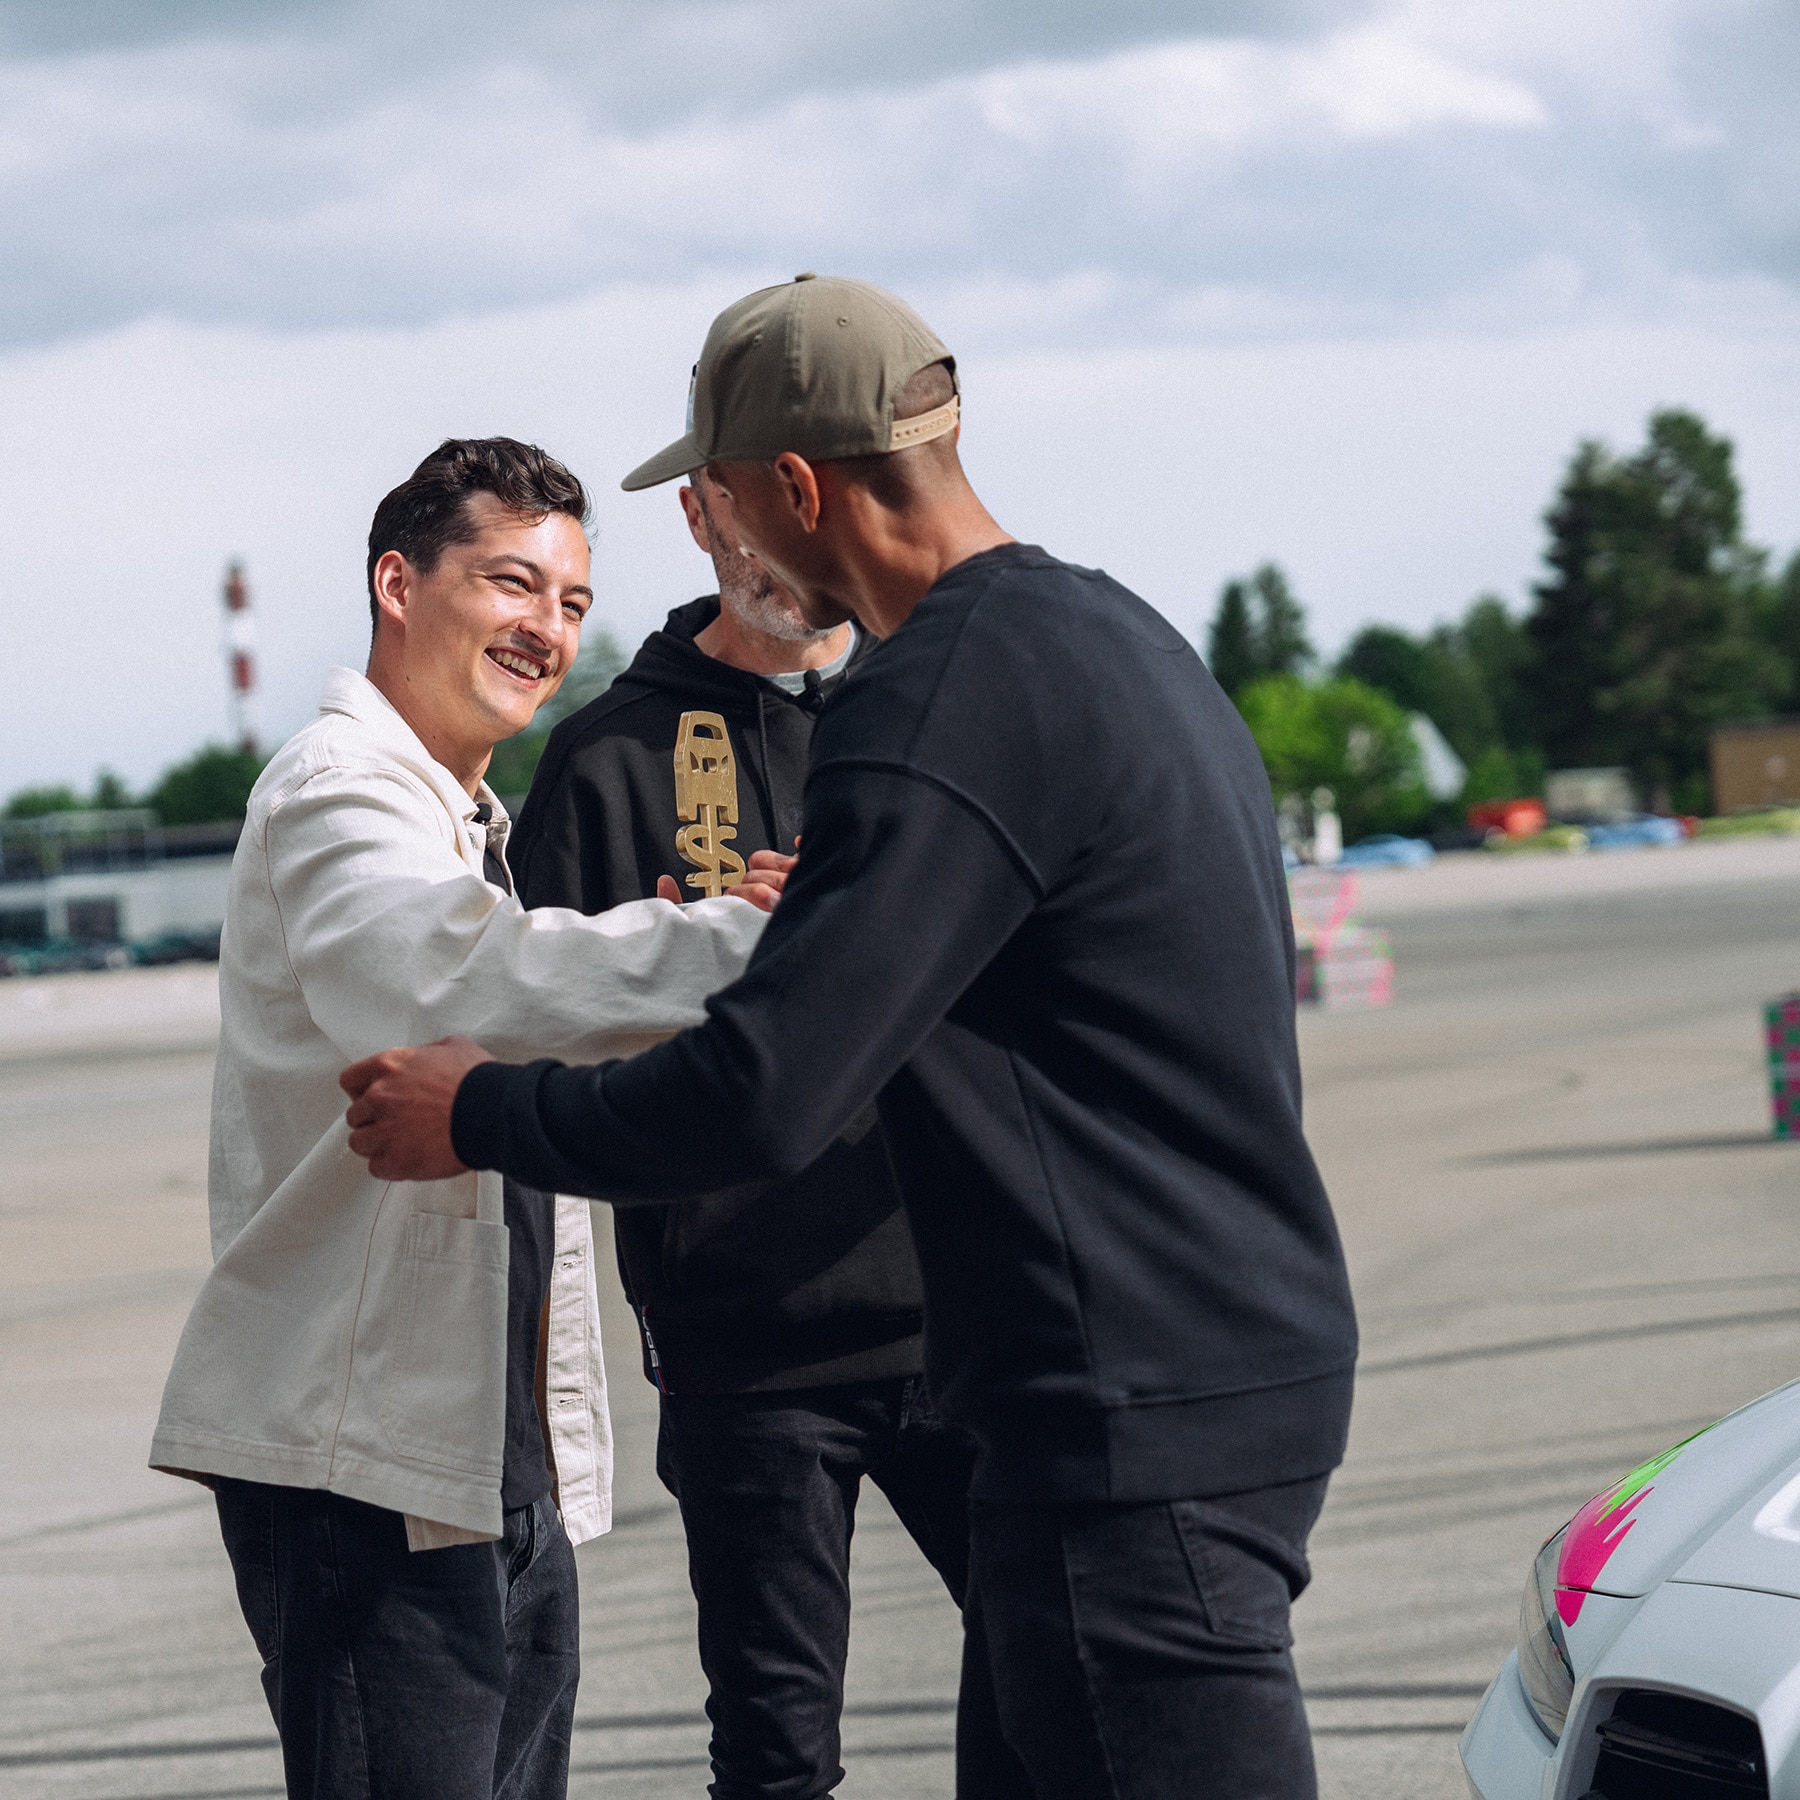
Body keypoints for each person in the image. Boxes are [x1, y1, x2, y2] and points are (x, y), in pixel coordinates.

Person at [341, 279, 1360, 1800]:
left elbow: (765, 1092)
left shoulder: (933, 696)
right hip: (1151, 1387)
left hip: (1126, 1429)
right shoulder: (1116, 640)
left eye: (726, 493)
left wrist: (480, 1112)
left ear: (796, 488)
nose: (720, 529)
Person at [151, 437, 789, 1800]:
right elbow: (442, 975)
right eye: (512, 583)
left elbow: (512, 1014)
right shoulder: (339, 795)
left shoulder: (460, 823)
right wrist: (741, 945)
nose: (548, 629)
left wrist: (660, 979)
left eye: (569, 601)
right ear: (398, 583)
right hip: (365, 1475)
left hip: (486, 1462)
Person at [506, 465, 979, 1798]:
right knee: (776, 1753)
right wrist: (687, 964)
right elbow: (531, 1040)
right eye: (739, 509)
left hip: (968, 1307)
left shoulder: (939, 708)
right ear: (704, 518)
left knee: (1055, 1673)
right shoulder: (605, 759)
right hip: (746, 1345)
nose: (773, 542)